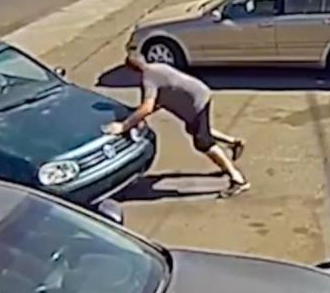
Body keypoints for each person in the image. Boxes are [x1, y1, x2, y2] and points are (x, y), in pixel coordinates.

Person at [102, 53, 250, 198]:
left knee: (203, 142)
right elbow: (154, 104)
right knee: (197, 128)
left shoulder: (149, 78)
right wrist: (137, 115)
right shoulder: (158, 67)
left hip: (196, 103)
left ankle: (237, 179)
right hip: (201, 93)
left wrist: (124, 125)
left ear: (132, 70)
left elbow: (147, 107)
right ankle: (234, 142)